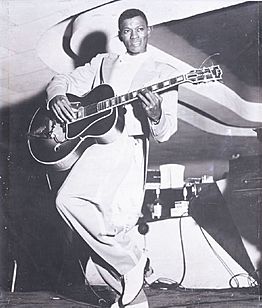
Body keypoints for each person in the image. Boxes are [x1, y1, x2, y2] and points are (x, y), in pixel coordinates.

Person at [46, 8, 178, 308]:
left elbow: (167, 131)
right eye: (127, 31)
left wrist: (156, 115)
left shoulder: (164, 72)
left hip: (130, 147)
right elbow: (62, 80)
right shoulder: (103, 63)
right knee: (67, 201)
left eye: (140, 29)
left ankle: (133, 300)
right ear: (120, 35)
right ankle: (132, 264)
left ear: (149, 30)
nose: (134, 36)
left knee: (114, 225)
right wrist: (57, 97)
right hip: (100, 145)